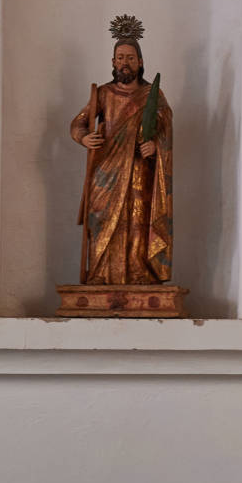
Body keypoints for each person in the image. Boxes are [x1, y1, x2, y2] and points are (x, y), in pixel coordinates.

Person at [68, 16, 175, 285]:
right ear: (113, 62)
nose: (124, 62)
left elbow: (164, 129)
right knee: (102, 221)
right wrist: (84, 138)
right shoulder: (102, 94)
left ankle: (139, 274)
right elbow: (78, 122)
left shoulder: (153, 95)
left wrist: (156, 146)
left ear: (140, 62)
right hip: (105, 170)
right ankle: (101, 275)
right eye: (119, 57)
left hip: (140, 169)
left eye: (130, 57)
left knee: (138, 220)